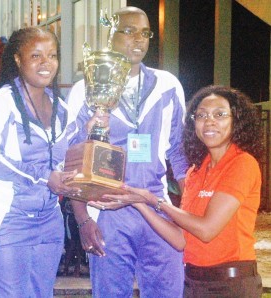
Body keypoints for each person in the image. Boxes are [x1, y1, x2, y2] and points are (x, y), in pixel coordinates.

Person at [66, 6, 188, 298]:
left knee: (168, 291)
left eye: (145, 33)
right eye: (129, 31)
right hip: (108, 209)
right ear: (110, 35)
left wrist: (191, 214)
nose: (139, 39)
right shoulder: (85, 89)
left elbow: (180, 154)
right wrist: (83, 219)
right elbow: (72, 161)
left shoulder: (167, 85)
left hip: (155, 204)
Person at [99, 85, 264, 298]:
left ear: (236, 120)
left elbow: (206, 230)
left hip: (231, 285)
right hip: (194, 285)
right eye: (201, 115)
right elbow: (181, 240)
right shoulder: (195, 172)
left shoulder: (242, 164)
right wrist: (139, 202)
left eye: (220, 114)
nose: (210, 121)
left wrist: (155, 201)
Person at [0, 27, 80, 298]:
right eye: (36, 55)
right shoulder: (0, 101)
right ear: (18, 60)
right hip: (8, 219)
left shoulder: (61, 108)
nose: (47, 63)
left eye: (53, 55)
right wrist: (45, 177)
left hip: (49, 221)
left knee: (41, 294)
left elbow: (66, 158)